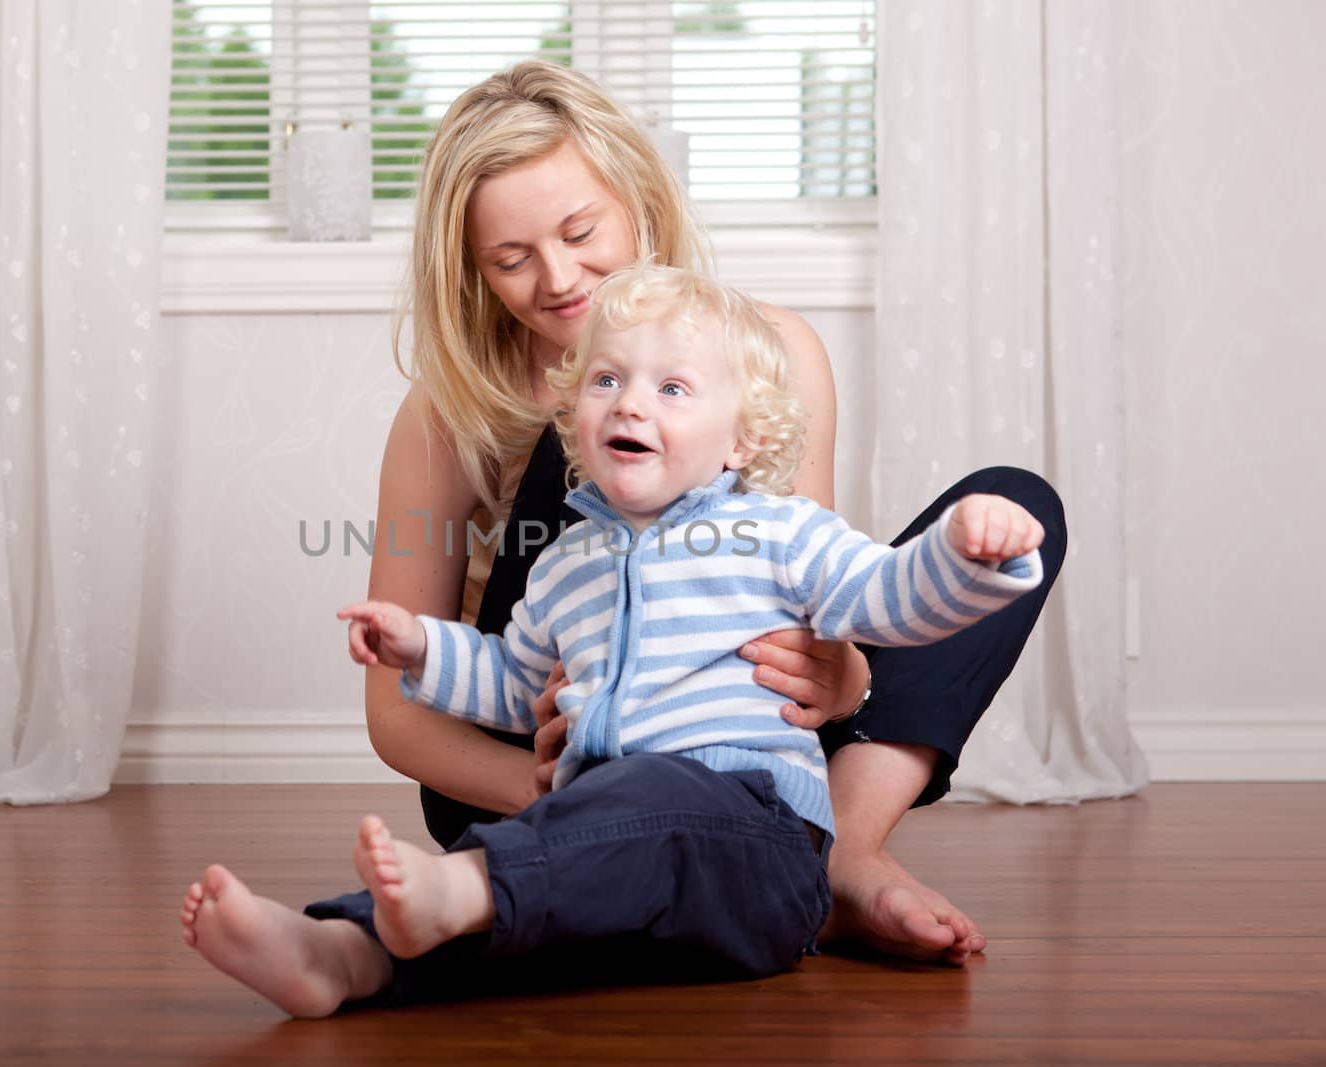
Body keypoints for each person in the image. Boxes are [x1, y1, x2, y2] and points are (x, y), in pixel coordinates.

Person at [340, 59, 1066, 967]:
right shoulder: (448, 413)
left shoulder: (771, 351)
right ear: (473, 270)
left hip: (736, 738)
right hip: (545, 758)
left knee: (1011, 516)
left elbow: (807, 594)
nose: (560, 279)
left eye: (579, 231)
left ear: (639, 199)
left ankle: (834, 849)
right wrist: (568, 787)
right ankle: (632, 851)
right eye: (511, 260)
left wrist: (848, 679)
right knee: (595, 442)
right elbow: (395, 717)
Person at [178, 262, 1046, 1016]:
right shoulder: (565, 563)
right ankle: (339, 955)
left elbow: (886, 599)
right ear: (576, 416)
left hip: (753, 841)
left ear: (744, 436)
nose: (631, 400)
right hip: (613, 845)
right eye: (607, 382)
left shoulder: (777, 533)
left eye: (672, 389)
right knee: (543, 912)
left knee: (613, 817)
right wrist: (421, 649)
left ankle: (458, 889)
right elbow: (513, 683)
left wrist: (963, 551)